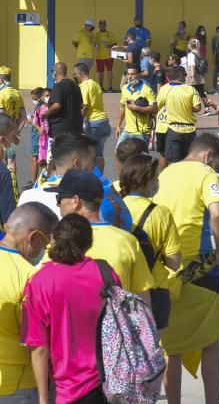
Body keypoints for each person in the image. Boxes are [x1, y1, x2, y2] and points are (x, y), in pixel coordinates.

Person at [153, 134, 219, 404]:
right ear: (209, 156)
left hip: (166, 268)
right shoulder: (206, 173)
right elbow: (217, 213)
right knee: (212, 341)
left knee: (170, 347)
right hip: (201, 266)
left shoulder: (165, 173)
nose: (218, 171)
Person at [22, 214, 123, 404]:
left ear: (54, 239)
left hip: (68, 391)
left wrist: (43, 398)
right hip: (111, 383)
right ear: (88, 243)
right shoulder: (105, 272)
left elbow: (39, 348)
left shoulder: (41, 282)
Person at [45, 169, 154, 299]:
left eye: (59, 198)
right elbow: (143, 295)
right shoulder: (127, 240)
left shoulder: (60, 241)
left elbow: (44, 287)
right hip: (116, 317)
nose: (58, 204)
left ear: (75, 201)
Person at [0, 203, 59, 403]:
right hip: (18, 386)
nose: (44, 251)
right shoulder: (31, 278)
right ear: (33, 237)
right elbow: (38, 344)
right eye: (45, 244)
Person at [119, 153, 183, 333]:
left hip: (120, 287)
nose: (156, 182)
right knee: (153, 352)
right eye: (155, 177)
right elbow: (174, 261)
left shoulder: (113, 208)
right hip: (154, 288)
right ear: (145, 180)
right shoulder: (160, 213)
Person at [157, 65, 202, 164]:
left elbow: (158, 106)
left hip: (174, 130)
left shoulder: (164, 89)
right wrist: (186, 107)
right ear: (181, 76)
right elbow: (198, 108)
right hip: (190, 130)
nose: (185, 77)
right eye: (185, 75)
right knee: (190, 161)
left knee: (173, 163)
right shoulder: (191, 89)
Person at [74, 63, 111, 173]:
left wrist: (77, 122)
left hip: (93, 122)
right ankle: (99, 179)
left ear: (80, 73)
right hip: (104, 121)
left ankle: (89, 179)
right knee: (99, 153)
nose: (74, 76)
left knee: (88, 152)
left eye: (75, 74)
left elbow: (84, 106)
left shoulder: (85, 85)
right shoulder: (95, 84)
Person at [117, 64, 158, 147]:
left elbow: (155, 109)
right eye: (128, 74)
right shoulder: (125, 88)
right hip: (127, 131)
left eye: (132, 74)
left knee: (139, 158)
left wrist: (136, 108)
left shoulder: (147, 90)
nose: (129, 77)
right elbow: (122, 107)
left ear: (139, 75)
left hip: (142, 133)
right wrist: (118, 125)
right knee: (118, 152)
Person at [43, 62, 83, 138]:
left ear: (55, 72)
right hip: (76, 129)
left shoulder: (59, 85)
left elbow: (57, 105)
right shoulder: (75, 85)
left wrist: (46, 114)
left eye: (52, 71)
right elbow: (81, 105)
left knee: (62, 149)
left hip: (62, 130)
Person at [94, 19, 117, 92]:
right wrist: (95, 44)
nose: (102, 26)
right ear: (99, 26)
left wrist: (110, 45)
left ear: (106, 25)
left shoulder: (110, 34)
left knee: (109, 71)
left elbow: (115, 43)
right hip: (99, 56)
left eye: (103, 24)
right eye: (101, 24)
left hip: (109, 56)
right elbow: (93, 43)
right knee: (100, 72)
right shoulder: (96, 34)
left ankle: (110, 87)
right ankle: (101, 86)